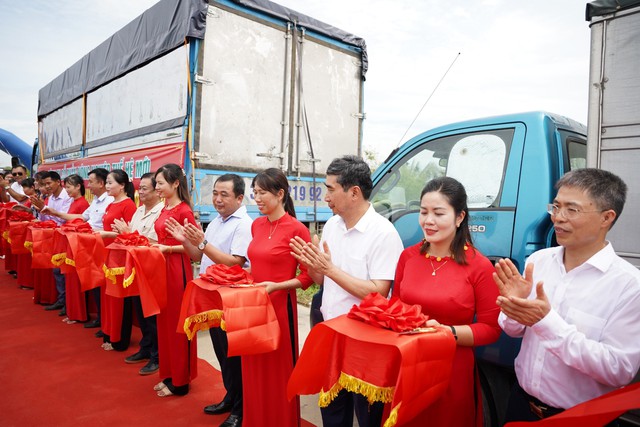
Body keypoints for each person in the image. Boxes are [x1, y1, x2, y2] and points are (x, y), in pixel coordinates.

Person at [494, 168, 640, 422]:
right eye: (556, 207)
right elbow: (514, 330)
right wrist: (513, 308)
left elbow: (618, 371)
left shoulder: (629, 286)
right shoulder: (539, 261)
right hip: (521, 403)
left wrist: (546, 321)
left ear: (607, 217)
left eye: (572, 210)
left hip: (580, 418)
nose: (558, 218)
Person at [290, 155, 404, 427]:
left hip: (365, 343)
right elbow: (323, 279)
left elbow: (378, 293)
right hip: (331, 334)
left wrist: (329, 270)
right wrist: (312, 265)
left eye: (330, 189)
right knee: (332, 411)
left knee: (367, 415)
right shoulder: (332, 225)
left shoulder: (383, 233)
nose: (325, 196)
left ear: (354, 192)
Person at [392, 177, 501, 427]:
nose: (428, 221)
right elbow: (396, 307)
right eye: (423, 212)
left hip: (452, 370)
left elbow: (491, 329)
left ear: (460, 217)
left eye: (438, 213)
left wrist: (446, 333)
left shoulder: (479, 266)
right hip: (409, 364)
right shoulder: (407, 257)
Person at [166, 173, 252, 427]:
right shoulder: (215, 222)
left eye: (224, 195)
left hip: (230, 299)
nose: (217, 199)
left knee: (234, 356)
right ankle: (230, 397)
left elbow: (236, 263)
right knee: (221, 353)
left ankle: (240, 409)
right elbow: (197, 257)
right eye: (215, 193)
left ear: (239, 197)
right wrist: (185, 241)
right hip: (211, 298)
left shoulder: (243, 225)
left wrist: (201, 242)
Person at [235, 168, 312, 427]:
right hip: (253, 305)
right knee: (253, 369)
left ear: (280, 194)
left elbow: (308, 277)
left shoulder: (297, 229)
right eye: (254, 192)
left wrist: (278, 286)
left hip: (280, 308)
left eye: (262, 193)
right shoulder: (257, 224)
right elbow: (255, 264)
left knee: (279, 374)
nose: (256, 198)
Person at [42, 168, 114, 330]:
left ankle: (105, 321)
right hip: (90, 243)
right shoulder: (96, 200)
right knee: (95, 284)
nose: (88, 186)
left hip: (102, 245)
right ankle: (101, 320)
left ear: (101, 184)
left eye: (91, 182)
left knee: (101, 284)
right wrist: (56, 213)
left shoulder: (110, 201)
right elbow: (83, 217)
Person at [152, 163, 198, 398]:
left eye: (160, 183)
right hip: (161, 267)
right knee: (164, 323)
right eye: (157, 183)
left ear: (176, 183)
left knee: (177, 325)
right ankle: (168, 374)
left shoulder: (184, 211)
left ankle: (180, 380)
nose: (156, 187)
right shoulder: (164, 208)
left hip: (177, 269)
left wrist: (167, 249)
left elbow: (194, 249)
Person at [112, 172, 163, 375]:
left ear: (157, 191)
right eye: (139, 188)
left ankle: (157, 356)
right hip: (134, 269)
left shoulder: (160, 213)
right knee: (140, 313)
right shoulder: (139, 210)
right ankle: (146, 348)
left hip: (151, 270)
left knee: (151, 316)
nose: (139, 192)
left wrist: (128, 234)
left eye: (144, 188)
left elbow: (153, 243)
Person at [99, 169, 137, 351]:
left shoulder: (128, 205)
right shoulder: (110, 204)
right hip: (109, 255)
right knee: (109, 298)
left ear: (122, 185)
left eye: (110, 182)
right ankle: (109, 332)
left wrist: (107, 234)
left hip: (121, 258)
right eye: (106, 182)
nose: (107, 186)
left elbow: (130, 233)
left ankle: (119, 339)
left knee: (120, 300)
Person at [35, 171, 73, 316]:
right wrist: (41, 209)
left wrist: (49, 211)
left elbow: (63, 219)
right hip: (52, 236)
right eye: (45, 184)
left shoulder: (67, 198)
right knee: (55, 269)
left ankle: (66, 302)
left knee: (62, 271)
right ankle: (61, 299)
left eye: (49, 183)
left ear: (58, 182)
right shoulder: (50, 198)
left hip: (63, 237)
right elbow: (44, 218)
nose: (47, 186)